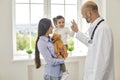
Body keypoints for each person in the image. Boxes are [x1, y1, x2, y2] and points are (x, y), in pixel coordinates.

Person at [71, 1, 114, 80]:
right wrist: (77, 31)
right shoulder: (98, 27)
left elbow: (102, 59)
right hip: (92, 74)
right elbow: (91, 44)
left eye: (83, 14)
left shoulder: (103, 29)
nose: (83, 17)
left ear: (89, 13)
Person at [53, 15, 74, 80]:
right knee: (58, 60)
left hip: (64, 46)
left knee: (60, 60)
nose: (62, 24)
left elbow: (71, 35)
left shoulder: (66, 29)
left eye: (63, 22)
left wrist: (73, 29)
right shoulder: (56, 30)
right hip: (58, 47)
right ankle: (62, 72)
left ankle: (64, 72)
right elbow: (54, 39)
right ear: (56, 24)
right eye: (59, 22)